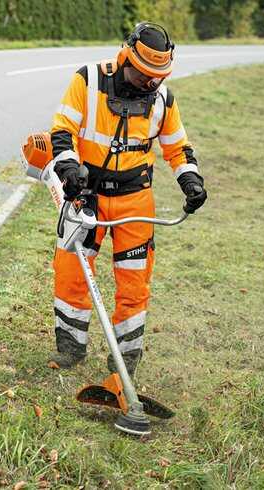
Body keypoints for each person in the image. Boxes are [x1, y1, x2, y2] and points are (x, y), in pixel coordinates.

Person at [48, 22, 207, 375]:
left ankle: (126, 360)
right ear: (126, 57)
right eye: (146, 76)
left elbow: (179, 149)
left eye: (158, 77)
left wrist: (191, 181)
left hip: (135, 200)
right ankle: (71, 349)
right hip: (85, 196)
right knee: (72, 273)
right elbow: (61, 132)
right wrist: (70, 170)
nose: (151, 84)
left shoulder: (163, 98)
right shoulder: (88, 81)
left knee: (135, 282)